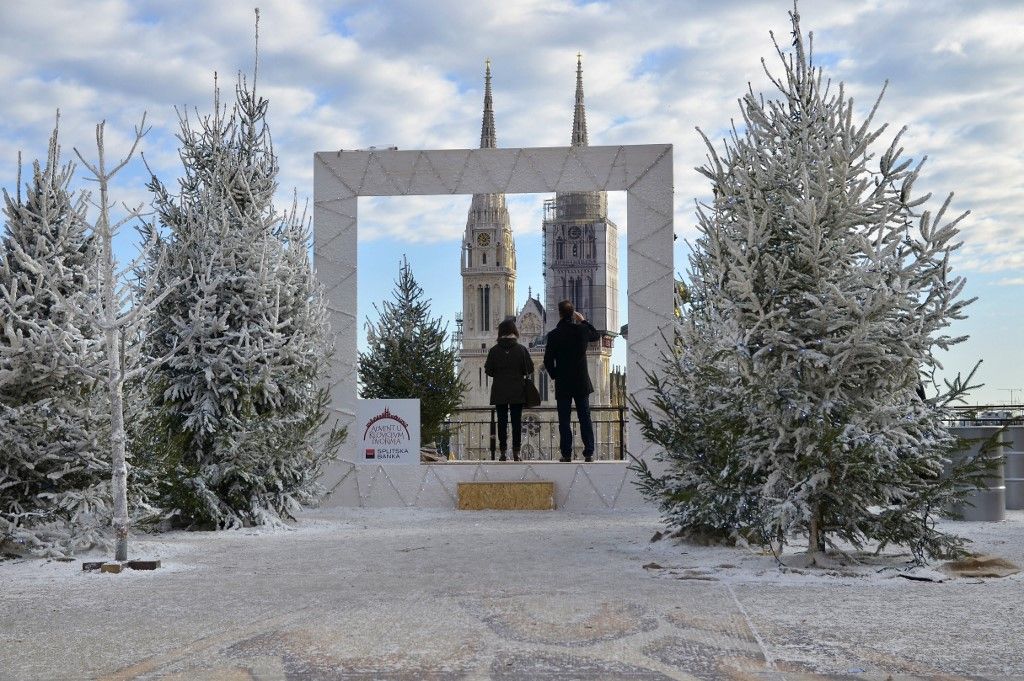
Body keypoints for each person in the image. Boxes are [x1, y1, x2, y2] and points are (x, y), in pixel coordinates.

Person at [543, 300, 600, 462]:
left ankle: (566, 454)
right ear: (573, 313)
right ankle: (588, 452)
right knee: (585, 417)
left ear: (560, 314)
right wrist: (583, 320)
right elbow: (595, 335)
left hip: (563, 383)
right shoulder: (581, 330)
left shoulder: (554, 335)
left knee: (564, 420)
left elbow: (548, 360)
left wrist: (556, 375)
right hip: (581, 381)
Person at [485, 318, 534, 461]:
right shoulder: (521, 349)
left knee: (501, 421)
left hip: (499, 390)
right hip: (517, 390)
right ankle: (517, 452)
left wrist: (500, 374)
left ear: (500, 333)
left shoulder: (494, 351)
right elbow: (529, 369)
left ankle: (502, 452)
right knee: (516, 422)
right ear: (514, 331)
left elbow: (489, 370)